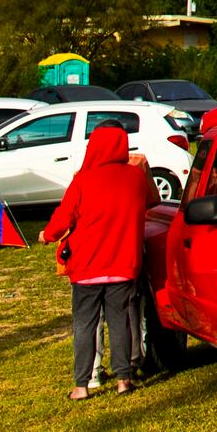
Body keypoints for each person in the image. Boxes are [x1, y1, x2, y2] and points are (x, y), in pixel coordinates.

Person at [40, 124, 153, 400]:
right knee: (120, 322)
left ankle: (82, 385)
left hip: (87, 267)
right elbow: (152, 201)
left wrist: (47, 235)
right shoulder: (135, 178)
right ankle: (124, 380)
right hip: (123, 265)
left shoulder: (83, 180)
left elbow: (62, 219)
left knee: (85, 325)